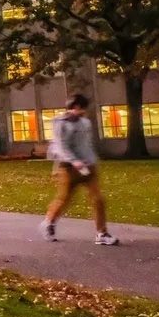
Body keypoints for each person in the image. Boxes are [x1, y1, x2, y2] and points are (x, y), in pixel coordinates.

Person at [40, 93, 119, 245]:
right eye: (81, 108)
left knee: (98, 199)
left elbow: (86, 145)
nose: (83, 112)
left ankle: (102, 233)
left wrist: (91, 161)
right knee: (64, 199)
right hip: (69, 167)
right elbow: (61, 146)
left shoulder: (85, 123)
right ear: (75, 106)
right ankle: (49, 223)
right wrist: (74, 161)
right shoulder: (60, 123)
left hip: (88, 166)